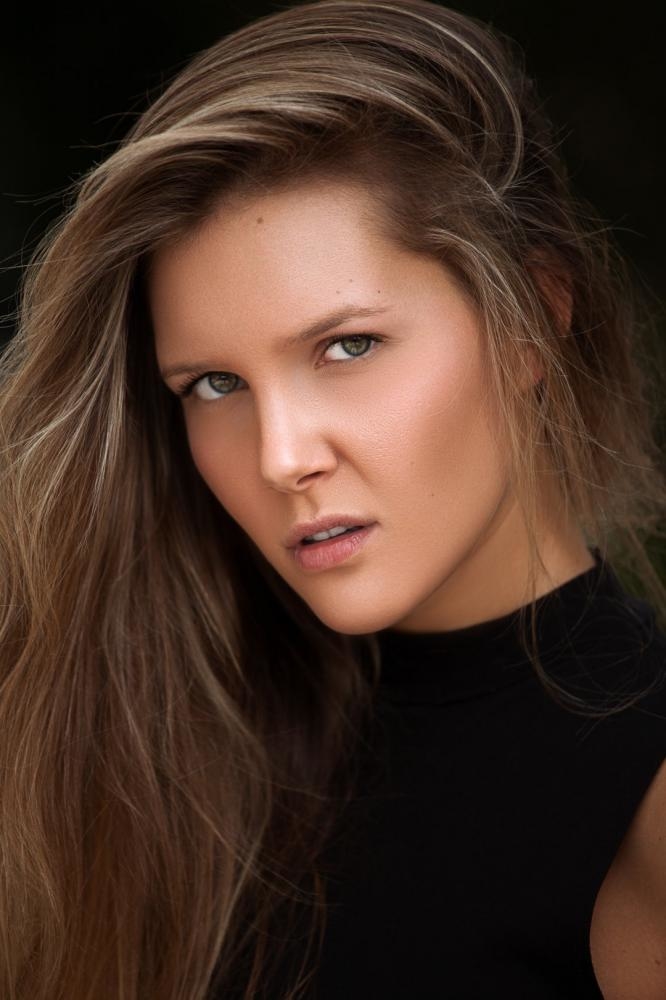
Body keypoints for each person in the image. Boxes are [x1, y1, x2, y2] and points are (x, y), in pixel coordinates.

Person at [1, 0, 665, 996]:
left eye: (348, 346)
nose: (280, 456)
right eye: (213, 384)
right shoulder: (145, 744)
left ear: (533, 317)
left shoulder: (645, 802)